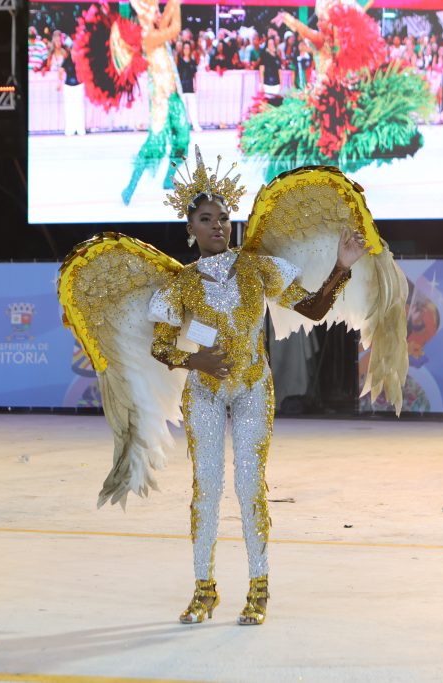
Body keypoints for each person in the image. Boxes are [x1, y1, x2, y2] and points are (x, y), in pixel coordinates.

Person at [148, 152, 370, 626]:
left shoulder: (256, 269)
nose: (218, 226)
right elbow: (161, 346)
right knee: (206, 489)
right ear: (190, 229)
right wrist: (197, 360)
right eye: (206, 219)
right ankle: (204, 590)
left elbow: (313, 310)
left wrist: (340, 266)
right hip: (204, 393)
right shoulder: (181, 284)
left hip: (252, 388)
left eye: (223, 218)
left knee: (250, 485)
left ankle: (259, 588)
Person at [120, 0, 189, 205]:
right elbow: (175, 28)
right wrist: (176, 4)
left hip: (174, 95)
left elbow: (167, 17)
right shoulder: (148, 38)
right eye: (156, 12)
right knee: (155, 145)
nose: (160, 14)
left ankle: (169, 178)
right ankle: (130, 186)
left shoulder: (156, 30)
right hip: (160, 101)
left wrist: (173, 4)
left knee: (183, 138)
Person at [177, 40, 203, 132]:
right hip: (182, 87)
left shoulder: (192, 61)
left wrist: (196, 85)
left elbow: (194, 75)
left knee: (193, 108)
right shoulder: (179, 61)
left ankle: (195, 125)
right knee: (182, 108)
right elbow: (178, 75)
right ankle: (183, 126)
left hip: (190, 87)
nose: (186, 50)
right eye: (185, 48)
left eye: (188, 48)